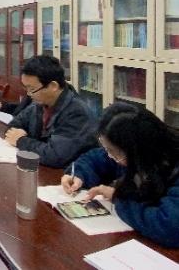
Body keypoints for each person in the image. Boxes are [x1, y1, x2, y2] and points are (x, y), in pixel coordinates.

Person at [61, 103, 179, 248]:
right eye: (107, 149)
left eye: (114, 152)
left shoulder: (163, 161)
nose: (110, 156)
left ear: (136, 149)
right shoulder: (133, 152)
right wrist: (79, 174)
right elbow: (95, 158)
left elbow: (169, 226)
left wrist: (118, 198)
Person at [4, 55, 95, 168]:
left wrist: (21, 140)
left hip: (67, 175)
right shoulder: (39, 104)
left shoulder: (77, 113)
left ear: (53, 86)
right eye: (26, 88)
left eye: (32, 89)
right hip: (40, 168)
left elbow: (55, 156)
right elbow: (14, 125)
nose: (28, 94)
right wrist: (19, 136)